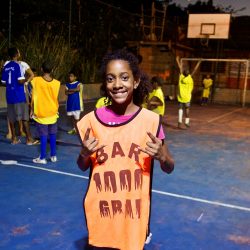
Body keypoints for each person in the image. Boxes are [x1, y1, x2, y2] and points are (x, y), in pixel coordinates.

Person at [76, 49, 174, 250]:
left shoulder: (150, 121)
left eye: (124, 77)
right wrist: (84, 154)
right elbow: (82, 166)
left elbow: (169, 167)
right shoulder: (91, 121)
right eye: (110, 79)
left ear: (136, 81)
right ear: (105, 84)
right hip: (102, 212)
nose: (117, 84)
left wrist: (162, 156)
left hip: (133, 217)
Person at [1, 47, 35, 145]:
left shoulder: (6, 66)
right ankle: (29, 139)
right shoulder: (18, 66)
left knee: (11, 118)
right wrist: (25, 80)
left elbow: (3, 82)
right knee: (24, 118)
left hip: (9, 94)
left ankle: (14, 139)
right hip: (19, 95)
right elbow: (20, 80)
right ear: (16, 54)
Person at [31, 61, 60, 164]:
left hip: (42, 113)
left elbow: (33, 96)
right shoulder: (57, 83)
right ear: (52, 70)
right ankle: (53, 156)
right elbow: (56, 98)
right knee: (53, 135)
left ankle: (42, 157)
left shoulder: (36, 80)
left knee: (43, 136)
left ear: (42, 69)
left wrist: (31, 109)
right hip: (53, 112)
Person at [176, 56, 201, 128]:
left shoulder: (181, 77)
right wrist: (199, 62)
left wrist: (177, 60)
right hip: (187, 97)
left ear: (183, 73)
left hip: (181, 96)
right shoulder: (190, 78)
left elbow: (180, 68)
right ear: (188, 74)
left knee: (180, 109)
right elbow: (194, 70)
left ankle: (179, 123)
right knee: (187, 109)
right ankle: (187, 122)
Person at [65, 70, 83, 134]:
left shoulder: (79, 83)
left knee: (77, 118)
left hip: (77, 104)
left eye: (72, 76)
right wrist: (73, 90)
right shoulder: (67, 84)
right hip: (70, 104)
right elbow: (66, 92)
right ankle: (74, 129)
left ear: (75, 77)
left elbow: (78, 89)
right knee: (72, 117)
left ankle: (78, 130)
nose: (70, 77)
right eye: (69, 76)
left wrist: (70, 90)